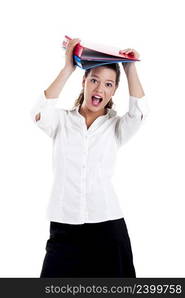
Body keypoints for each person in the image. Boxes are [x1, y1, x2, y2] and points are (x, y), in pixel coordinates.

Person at [30, 38, 149, 278]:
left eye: (108, 84)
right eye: (94, 80)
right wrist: (67, 68)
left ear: (114, 90)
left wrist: (130, 68)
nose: (99, 89)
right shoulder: (61, 122)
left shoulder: (116, 127)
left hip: (107, 226)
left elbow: (139, 113)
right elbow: (39, 113)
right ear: (84, 81)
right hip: (64, 227)